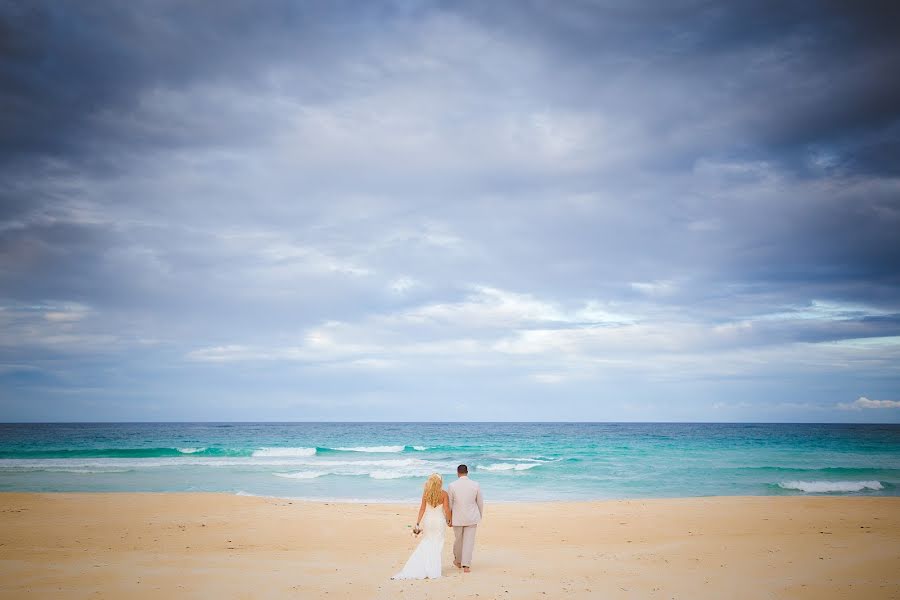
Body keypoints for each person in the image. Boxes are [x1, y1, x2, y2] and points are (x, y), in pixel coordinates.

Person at [391, 473, 452, 579]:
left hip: (428, 521)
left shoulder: (426, 493)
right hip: (439, 521)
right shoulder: (444, 494)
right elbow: (446, 509)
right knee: (437, 544)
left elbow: (422, 509)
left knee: (427, 542)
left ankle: (424, 566)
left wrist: (418, 522)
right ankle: (434, 570)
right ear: (440, 483)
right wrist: (449, 520)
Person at [447, 464, 483, 573]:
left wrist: (448, 518)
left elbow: (449, 504)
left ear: (457, 472)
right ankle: (466, 565)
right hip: (472, 517)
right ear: (467, 472)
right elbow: (480, 502)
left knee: (458, 540)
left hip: (457, 518)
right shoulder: (475, 485)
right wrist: (479, 515)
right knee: (469, 542)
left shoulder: (452, 485)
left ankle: (458, 561)